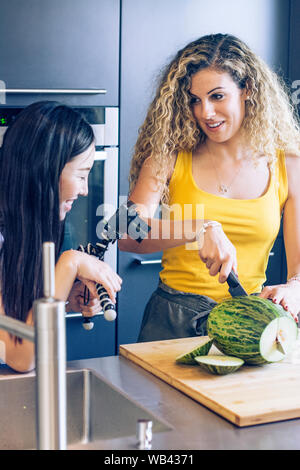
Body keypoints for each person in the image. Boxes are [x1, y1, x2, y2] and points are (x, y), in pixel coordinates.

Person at [118, 33, 300, 342]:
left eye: (217, 96)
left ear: (247, 90)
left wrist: (294, 289)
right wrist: (199, 229)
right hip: (171, 321)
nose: (205, 113)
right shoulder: (170, 155)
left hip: (248, 321)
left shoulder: (288, 164)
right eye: (194, 100)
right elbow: (124, 231)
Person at [0, 101, 122, 372]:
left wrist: (64, 299)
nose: (85, 190)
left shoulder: (28, 228)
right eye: (81, 175)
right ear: (45, 170)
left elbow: (15, 319)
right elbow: (21, 356)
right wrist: (70, 264)